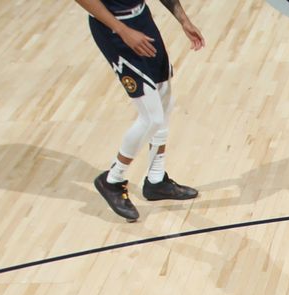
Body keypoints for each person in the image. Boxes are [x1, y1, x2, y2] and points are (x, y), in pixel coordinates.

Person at [74, 0, 205, 222]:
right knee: (151, 118)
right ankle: (112, 180)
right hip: (114, 29)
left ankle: (156, 180)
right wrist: (123, 31)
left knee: (165, 100)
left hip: (141, 18)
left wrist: (184, 20)